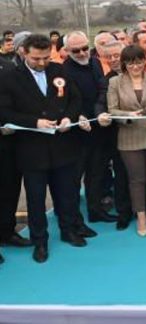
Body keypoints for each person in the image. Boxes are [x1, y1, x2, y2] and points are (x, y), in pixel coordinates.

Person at [0, 34, 87, 263]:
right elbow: (5, 112)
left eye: (46, 57)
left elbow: (75, 99)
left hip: (62, 145)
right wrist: (34, 122)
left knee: (67, 194)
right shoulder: (9, 77)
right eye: (36, 58)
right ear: (24, 53)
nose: (42, 63)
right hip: (32, 149)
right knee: (36, 200)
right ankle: (40, 241)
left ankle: (69, 230)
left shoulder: (59, 70)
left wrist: (69, 118)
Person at [107, 45, 146, 238]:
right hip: (129, 137)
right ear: (124, 64)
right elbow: (112, 109)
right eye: (131, 63)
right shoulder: (115, 82)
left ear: (145, 61)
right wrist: (128, 115)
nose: (135, 67)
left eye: (139, 62)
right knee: (136, 180)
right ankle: (141, 216)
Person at [62, 31, 118, 224]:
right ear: (67, 50)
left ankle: (95, 211)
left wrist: (101, 112)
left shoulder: (95, 62)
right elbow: (64, 101)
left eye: (85, 48)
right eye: (76, 50)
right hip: (78, 132)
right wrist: (77, 115)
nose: (82, 53)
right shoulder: (64, 71)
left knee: (96, 173)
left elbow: (102, 90)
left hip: (99, 128)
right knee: (74, 178)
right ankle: (72, 219)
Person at [94, 40, 133, 230]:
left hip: (144, 132)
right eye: (108, 57)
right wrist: (100, 114)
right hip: (119, 135)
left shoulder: (140, 74)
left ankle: (143, 208)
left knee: (142, 175)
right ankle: (124, 212)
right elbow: (101, 102)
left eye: (117, 55)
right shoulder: (106, 80)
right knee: (122, 175)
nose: (113, 59)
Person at [0, 57, 32, 262]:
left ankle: (7, 232)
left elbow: (18, 100)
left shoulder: (8, 67)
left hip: (10, 142)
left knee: (10, 189)